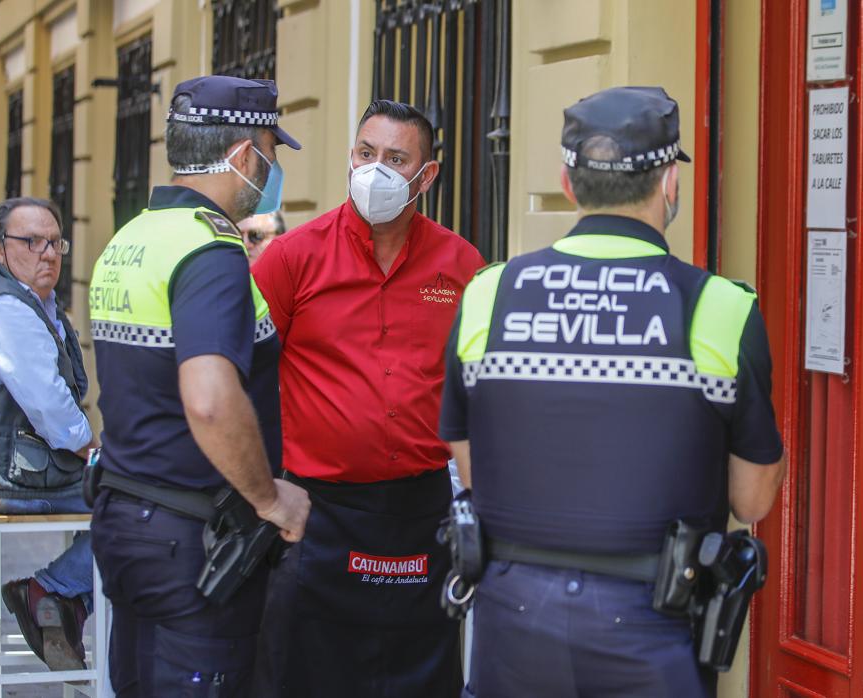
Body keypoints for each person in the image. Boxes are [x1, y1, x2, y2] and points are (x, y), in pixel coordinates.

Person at [439, 86, 786, 698]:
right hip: (654, 631)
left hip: (511, 624)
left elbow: (472, 467)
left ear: (568, 185)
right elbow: (753, 500)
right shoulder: (720, 308)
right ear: (668, 185)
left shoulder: (486, 296)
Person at [251, 99, 484, 697]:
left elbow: (477, 391)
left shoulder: (462, 266)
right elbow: (242, 375)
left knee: (419, 677)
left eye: (395, 158)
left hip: (420, 513)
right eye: (364, 153)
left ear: (425, 176)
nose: (373, 169)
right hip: (317, 512)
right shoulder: (291, 258)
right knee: (306, 675)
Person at [86, 75, 310, 696]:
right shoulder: (210, 249)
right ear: (243, 156)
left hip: (128, 519)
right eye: (270, 151)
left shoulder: (132, 237)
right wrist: (269, 499)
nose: (271, 172)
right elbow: (209, 398)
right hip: (194, 539)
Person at [0, 197, 98, 671]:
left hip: (2, 468)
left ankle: (62, 608)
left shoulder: (32, 301)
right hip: (0, 477)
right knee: (132, 500)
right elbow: (51, 407)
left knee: (122, 489)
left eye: (55, 242)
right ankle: (53, 592)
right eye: (31, 241)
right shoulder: (4, 307)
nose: (47, 252)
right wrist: (92, 450)